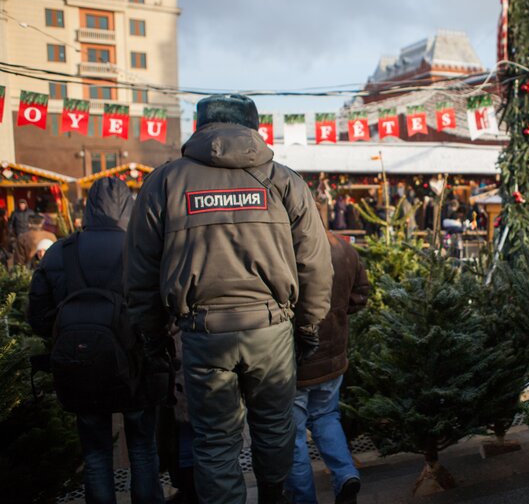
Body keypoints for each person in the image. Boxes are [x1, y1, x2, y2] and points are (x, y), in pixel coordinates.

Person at [125, 94, 333, 504]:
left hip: (202, 335)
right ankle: (274, 495)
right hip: (271, 332)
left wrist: (153, 337)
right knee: (274, 428)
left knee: (215, 442)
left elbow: (140, 270)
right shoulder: (284, 181)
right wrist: (308, 327)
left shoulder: (165, 182)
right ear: (252, 128)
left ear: (200, 127)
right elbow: (315, 264)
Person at [28, 177, 164, 504]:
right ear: (128, 207)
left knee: (97, 455)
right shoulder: (144, 249)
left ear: (88, 208)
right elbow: (163, 306)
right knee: (143, 450)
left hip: (80, 366)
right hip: (138, 366)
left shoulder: (61, 252)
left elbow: (38, 317)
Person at [285, 207, 369, 504]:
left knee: (292, 436)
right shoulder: (343, 248)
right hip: (333, 358)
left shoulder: (286, 252)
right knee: (326, 416)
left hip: (295, 363)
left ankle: (304, 499)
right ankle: (346, 474)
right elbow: (361, 295)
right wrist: (338, 315)